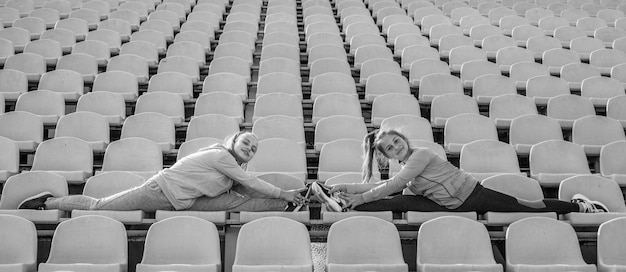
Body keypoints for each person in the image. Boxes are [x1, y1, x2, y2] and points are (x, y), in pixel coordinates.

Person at [315, 129, 609, 214]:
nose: (396, 147)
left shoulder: (421, 155)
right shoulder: (405, 167)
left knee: (527, 206)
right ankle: (340, 203)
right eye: (390, 148)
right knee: (396, 201)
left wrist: (362, 197)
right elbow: (383, 187)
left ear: (404, 139)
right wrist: (343, 188)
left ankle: (580, 205)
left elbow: (392, 185)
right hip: (443, 202)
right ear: (386, 155)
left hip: (470, 196)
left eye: (397, 141)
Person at [18, 131, 308, 212]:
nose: (250, 148)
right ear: (233, 140)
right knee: (99, 206)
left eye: (254, 148)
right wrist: (284, 190)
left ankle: (288, 205)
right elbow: (249, 180)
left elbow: (244, 187)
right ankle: (49, 202)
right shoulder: (221, 156)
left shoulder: (229, 168)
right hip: (161, 191)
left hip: (186, 201)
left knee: (239, 200)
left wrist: (285, 196)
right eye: (247, 142)